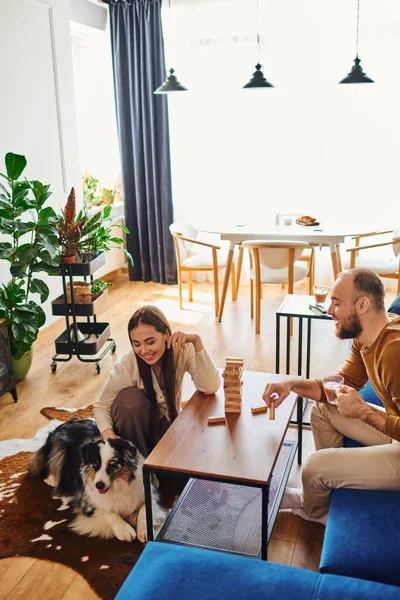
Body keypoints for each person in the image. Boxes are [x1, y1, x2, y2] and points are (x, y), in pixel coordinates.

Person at [262, 268, 400, 526]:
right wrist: (290, 384)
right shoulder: (368, 338)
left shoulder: (394, 353)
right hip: (395, 429)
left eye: (336, 303)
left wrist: (364, 412)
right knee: (323, 409)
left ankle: (314, 507)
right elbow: (336, 387)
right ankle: (332, 483)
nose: (328, 310)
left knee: (314, 466)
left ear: (362, 304)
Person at [93, 305, 220, 457]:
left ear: (166, 334)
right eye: (137, 344)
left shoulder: (183, 349)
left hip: (168, 421)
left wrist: (196, 341)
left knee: (192, 454)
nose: (144, 350)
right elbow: (100, 406)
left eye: (150, 342)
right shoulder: (127, 366)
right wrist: (107, 434)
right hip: (136, 427)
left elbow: (210, 387)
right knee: (130, 400)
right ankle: (139, 465)